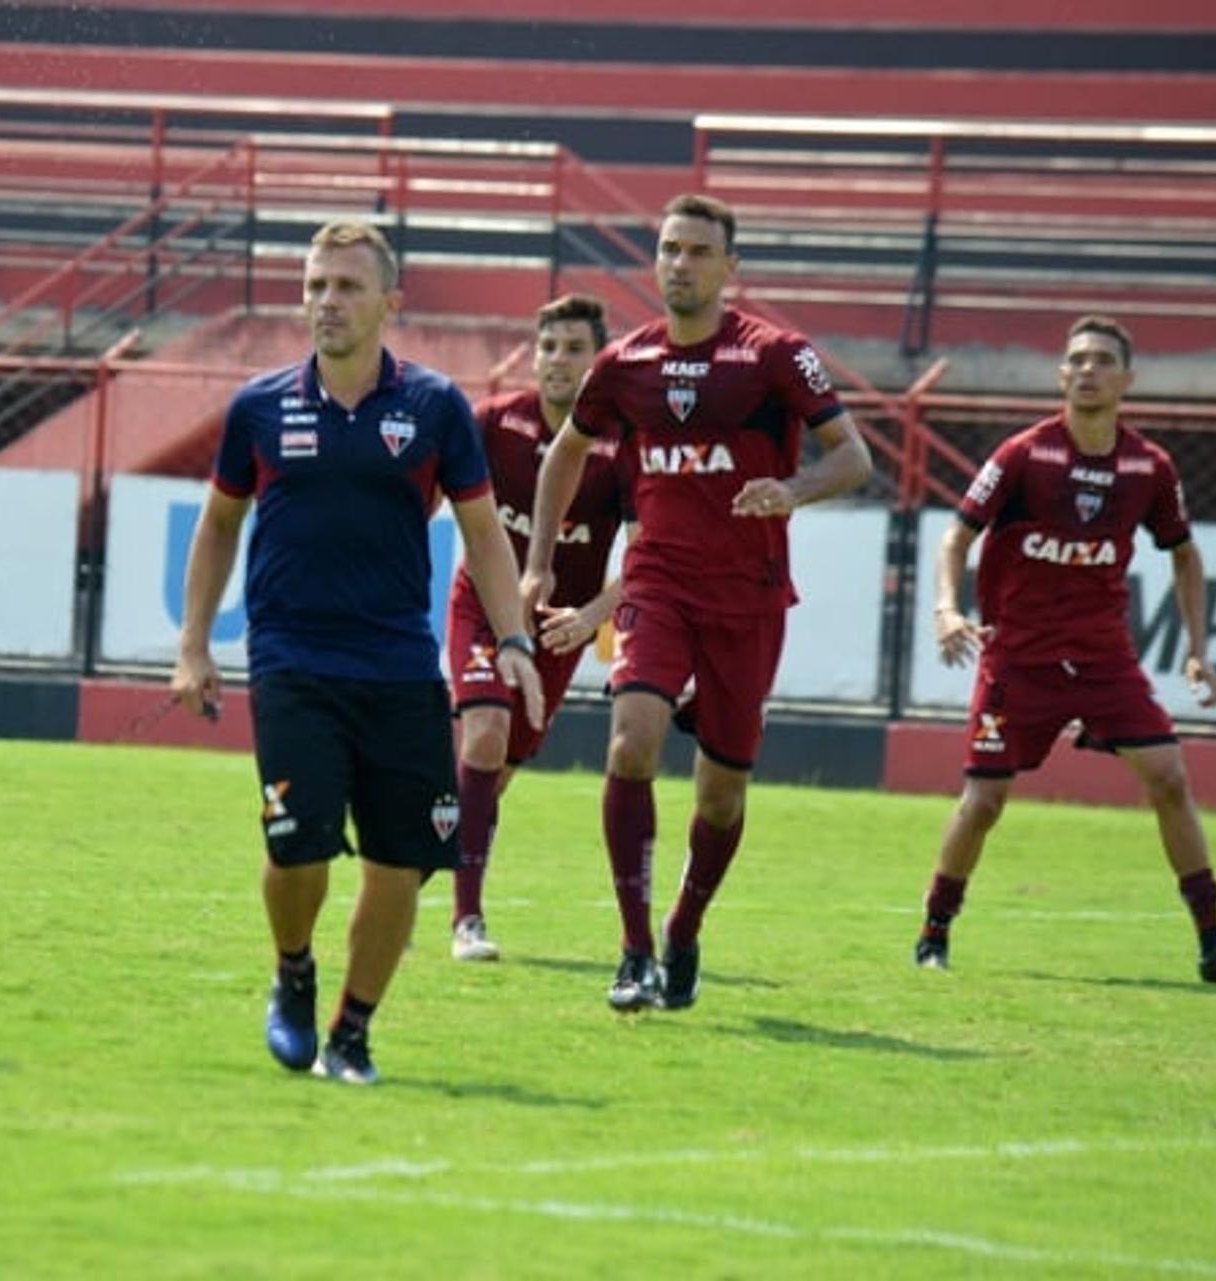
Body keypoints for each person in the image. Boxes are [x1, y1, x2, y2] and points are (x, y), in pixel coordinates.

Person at [172, 221, 543, 1085]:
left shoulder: (436, 407)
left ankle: (352, 1030)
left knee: (400, 863)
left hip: (402, 668)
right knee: (297, 846)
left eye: (345, 285)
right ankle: (294, 970)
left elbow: (484, 533)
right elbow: (219, 523)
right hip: (292, 659)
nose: (326, 301)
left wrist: (513, 637)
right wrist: (193, 644)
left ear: (389, 303)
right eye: (314, 285)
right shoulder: (258, 407)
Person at [521, 193, 872, 1012]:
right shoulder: (625, 365)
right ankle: (634, 950)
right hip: (657, 584)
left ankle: (683, 928)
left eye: (697, 251)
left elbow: (852, 458)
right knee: (630, 743)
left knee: (721, 795)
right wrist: (539, 563)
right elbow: (563, 457)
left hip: (747, 598)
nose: (679, 263)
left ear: (730, 267)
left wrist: (791, 488)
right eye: (669, 248)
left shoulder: (775, 356)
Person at [914, 315, 1216, 986]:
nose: (1087, 369)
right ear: (1061, 375)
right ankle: (935, 927)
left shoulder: (1148, 466)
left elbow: (1186, 557)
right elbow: (957, 537)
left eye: (1103, 360)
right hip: (1018, 659)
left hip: (1104, 658)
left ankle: (1215, 944)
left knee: (1169, 777)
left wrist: (1197, 649)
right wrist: (945, 606)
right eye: (1077, 359)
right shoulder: (1023, 454)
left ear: (1126, 380)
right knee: (985, 802)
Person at [445, 293, 632, 962]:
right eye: (548, 347)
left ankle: (428, 830)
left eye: (574, 348)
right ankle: (466, 920)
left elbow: (649, 553)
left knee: (491, 774)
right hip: (483, 605)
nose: (558, 360)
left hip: (560, 629)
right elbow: (427, 495)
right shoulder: (494, 424)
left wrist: (591, 616)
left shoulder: (622, 446)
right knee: (487, 733)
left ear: (599, 359)